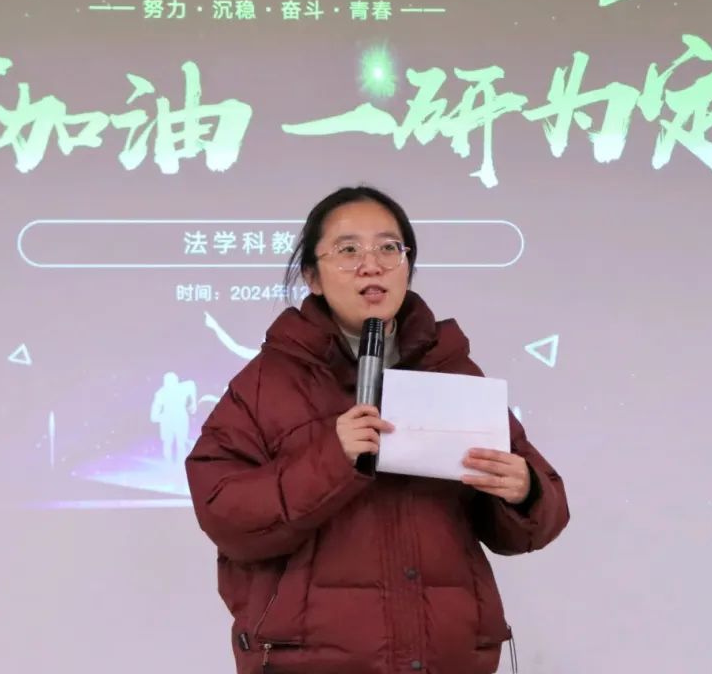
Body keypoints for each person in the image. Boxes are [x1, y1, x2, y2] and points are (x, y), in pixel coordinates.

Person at [185, 186, 570, 674]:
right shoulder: (266, 384)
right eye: (348, 250)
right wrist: (332, 459)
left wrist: (525, 492)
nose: (372, 265)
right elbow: (224, 513)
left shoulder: (452, 371)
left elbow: (536, 518)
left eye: (389, 248)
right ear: (313, 277)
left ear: (407, 266)